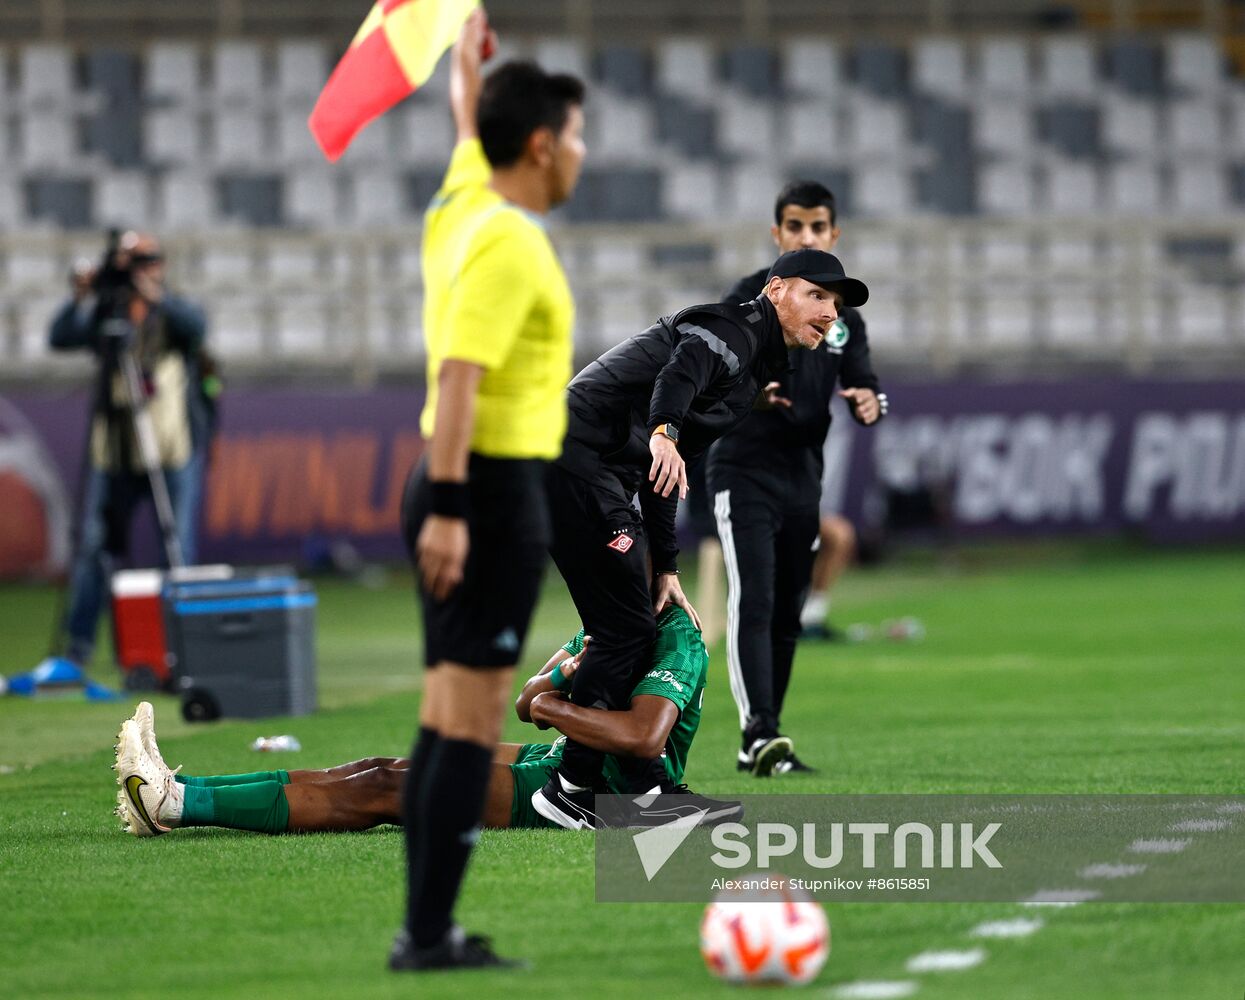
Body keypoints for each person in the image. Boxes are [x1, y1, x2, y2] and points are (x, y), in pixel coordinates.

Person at [532, 246, 870, 830]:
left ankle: (637, 790)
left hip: (595, 473)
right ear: (776, 290)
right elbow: (679, 373)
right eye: (817, 295)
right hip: (572, 460)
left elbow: (669, 474)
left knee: (632, 625)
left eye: (836, 305)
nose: (829, 313)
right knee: (625, 631)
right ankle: (573, 788)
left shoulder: (753, 369)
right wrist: (663, 430)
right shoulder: (732, 331)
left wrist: (667, 567)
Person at [393, 12, 585, 972]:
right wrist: (458, 512)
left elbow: (470, 132)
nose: (582, 156)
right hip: (488, 490)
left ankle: (426, 929)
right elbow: (461, 371)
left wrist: (467, 65)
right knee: (469, 722)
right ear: (543, 146)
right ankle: (428, 937)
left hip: (459, 480)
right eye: (577, 136)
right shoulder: (509, 242)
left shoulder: (465, 201)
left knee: (444, 716)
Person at [112, 607, 737, 835]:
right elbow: (527, 699)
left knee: (387, 792)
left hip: (610, 799)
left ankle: (175, 805)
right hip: (561, 764)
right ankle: (179, 792)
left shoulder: (676, 637)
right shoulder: (614, 614)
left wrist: (553, 706)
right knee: (381, 768)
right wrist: (556, 688)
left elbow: (643, 736)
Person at [709, 181, 887, 777]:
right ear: (777, 234)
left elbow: (865, 382)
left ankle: (765, 737)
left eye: (817, 228)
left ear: (834, 234)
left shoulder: (841, 320)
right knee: (755, 597)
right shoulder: (748, 300)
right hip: (744, 467)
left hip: (802, 474)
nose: (805, 237)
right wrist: (748, 392)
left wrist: (870, 402)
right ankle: (756, 732)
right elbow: (712, 375)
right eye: (795, 227)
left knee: (788, 607)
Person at [50, 231, 207, 667]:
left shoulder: (171, 311)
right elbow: (60, 336)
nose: (138, 270)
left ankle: (186, 651)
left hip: (170, 447)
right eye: (130, 263)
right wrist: (82, 297)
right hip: (114, 451)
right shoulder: (108, 312)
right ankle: (76, 651)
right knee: (93, 547)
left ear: (160, 265)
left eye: (146, 261)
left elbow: (198, 329)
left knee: (177, 549)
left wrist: (153, 294)